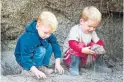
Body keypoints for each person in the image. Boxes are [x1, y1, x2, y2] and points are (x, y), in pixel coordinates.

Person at [14, 11, 64, 79]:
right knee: (42, 49)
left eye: (50, 33)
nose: (47, 36)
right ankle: (28, 70)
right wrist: (35, 71)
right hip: (23, 58)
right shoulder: (30, 37)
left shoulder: (46, 33)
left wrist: (57, 63)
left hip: (33, 53)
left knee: (49, 46)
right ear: (38, 25)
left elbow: (55, 44)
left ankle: (41, 66)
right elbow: (25, 56)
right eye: (46, 33)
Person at [63, 6, 111, 76]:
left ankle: (95, 65)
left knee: (95, 46)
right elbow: (72, 44)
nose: (92, 29)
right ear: (82, 21)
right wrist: (82, 49)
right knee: (80, 45)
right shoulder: (75, 29)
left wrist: (101, 47)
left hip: (83, 58)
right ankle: (73, 67)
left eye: (94, 27)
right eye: (89, 26)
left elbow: (98, 41)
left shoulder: (92, 32)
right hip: (70, 58)